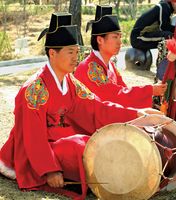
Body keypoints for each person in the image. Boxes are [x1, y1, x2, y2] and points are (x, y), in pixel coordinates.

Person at [0, 13, 162, 200]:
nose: (76, 58)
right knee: (80, 146)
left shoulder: (71, 82)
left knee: (96, 142)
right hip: (33, 153)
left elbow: (97, 107)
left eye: (77, 52)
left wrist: (137, 114)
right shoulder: (33, 89)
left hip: (60, 140)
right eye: (71, 52)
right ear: (52, 53)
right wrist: (50, 170)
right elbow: (31, 135)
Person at [74, 5, 167, 109]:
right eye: (115, 37)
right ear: (100, 40)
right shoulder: (89, 68)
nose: (120, 42)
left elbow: (124, 91)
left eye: (120, 37)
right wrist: (149, 90)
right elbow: (113, 96)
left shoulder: (110, 65)